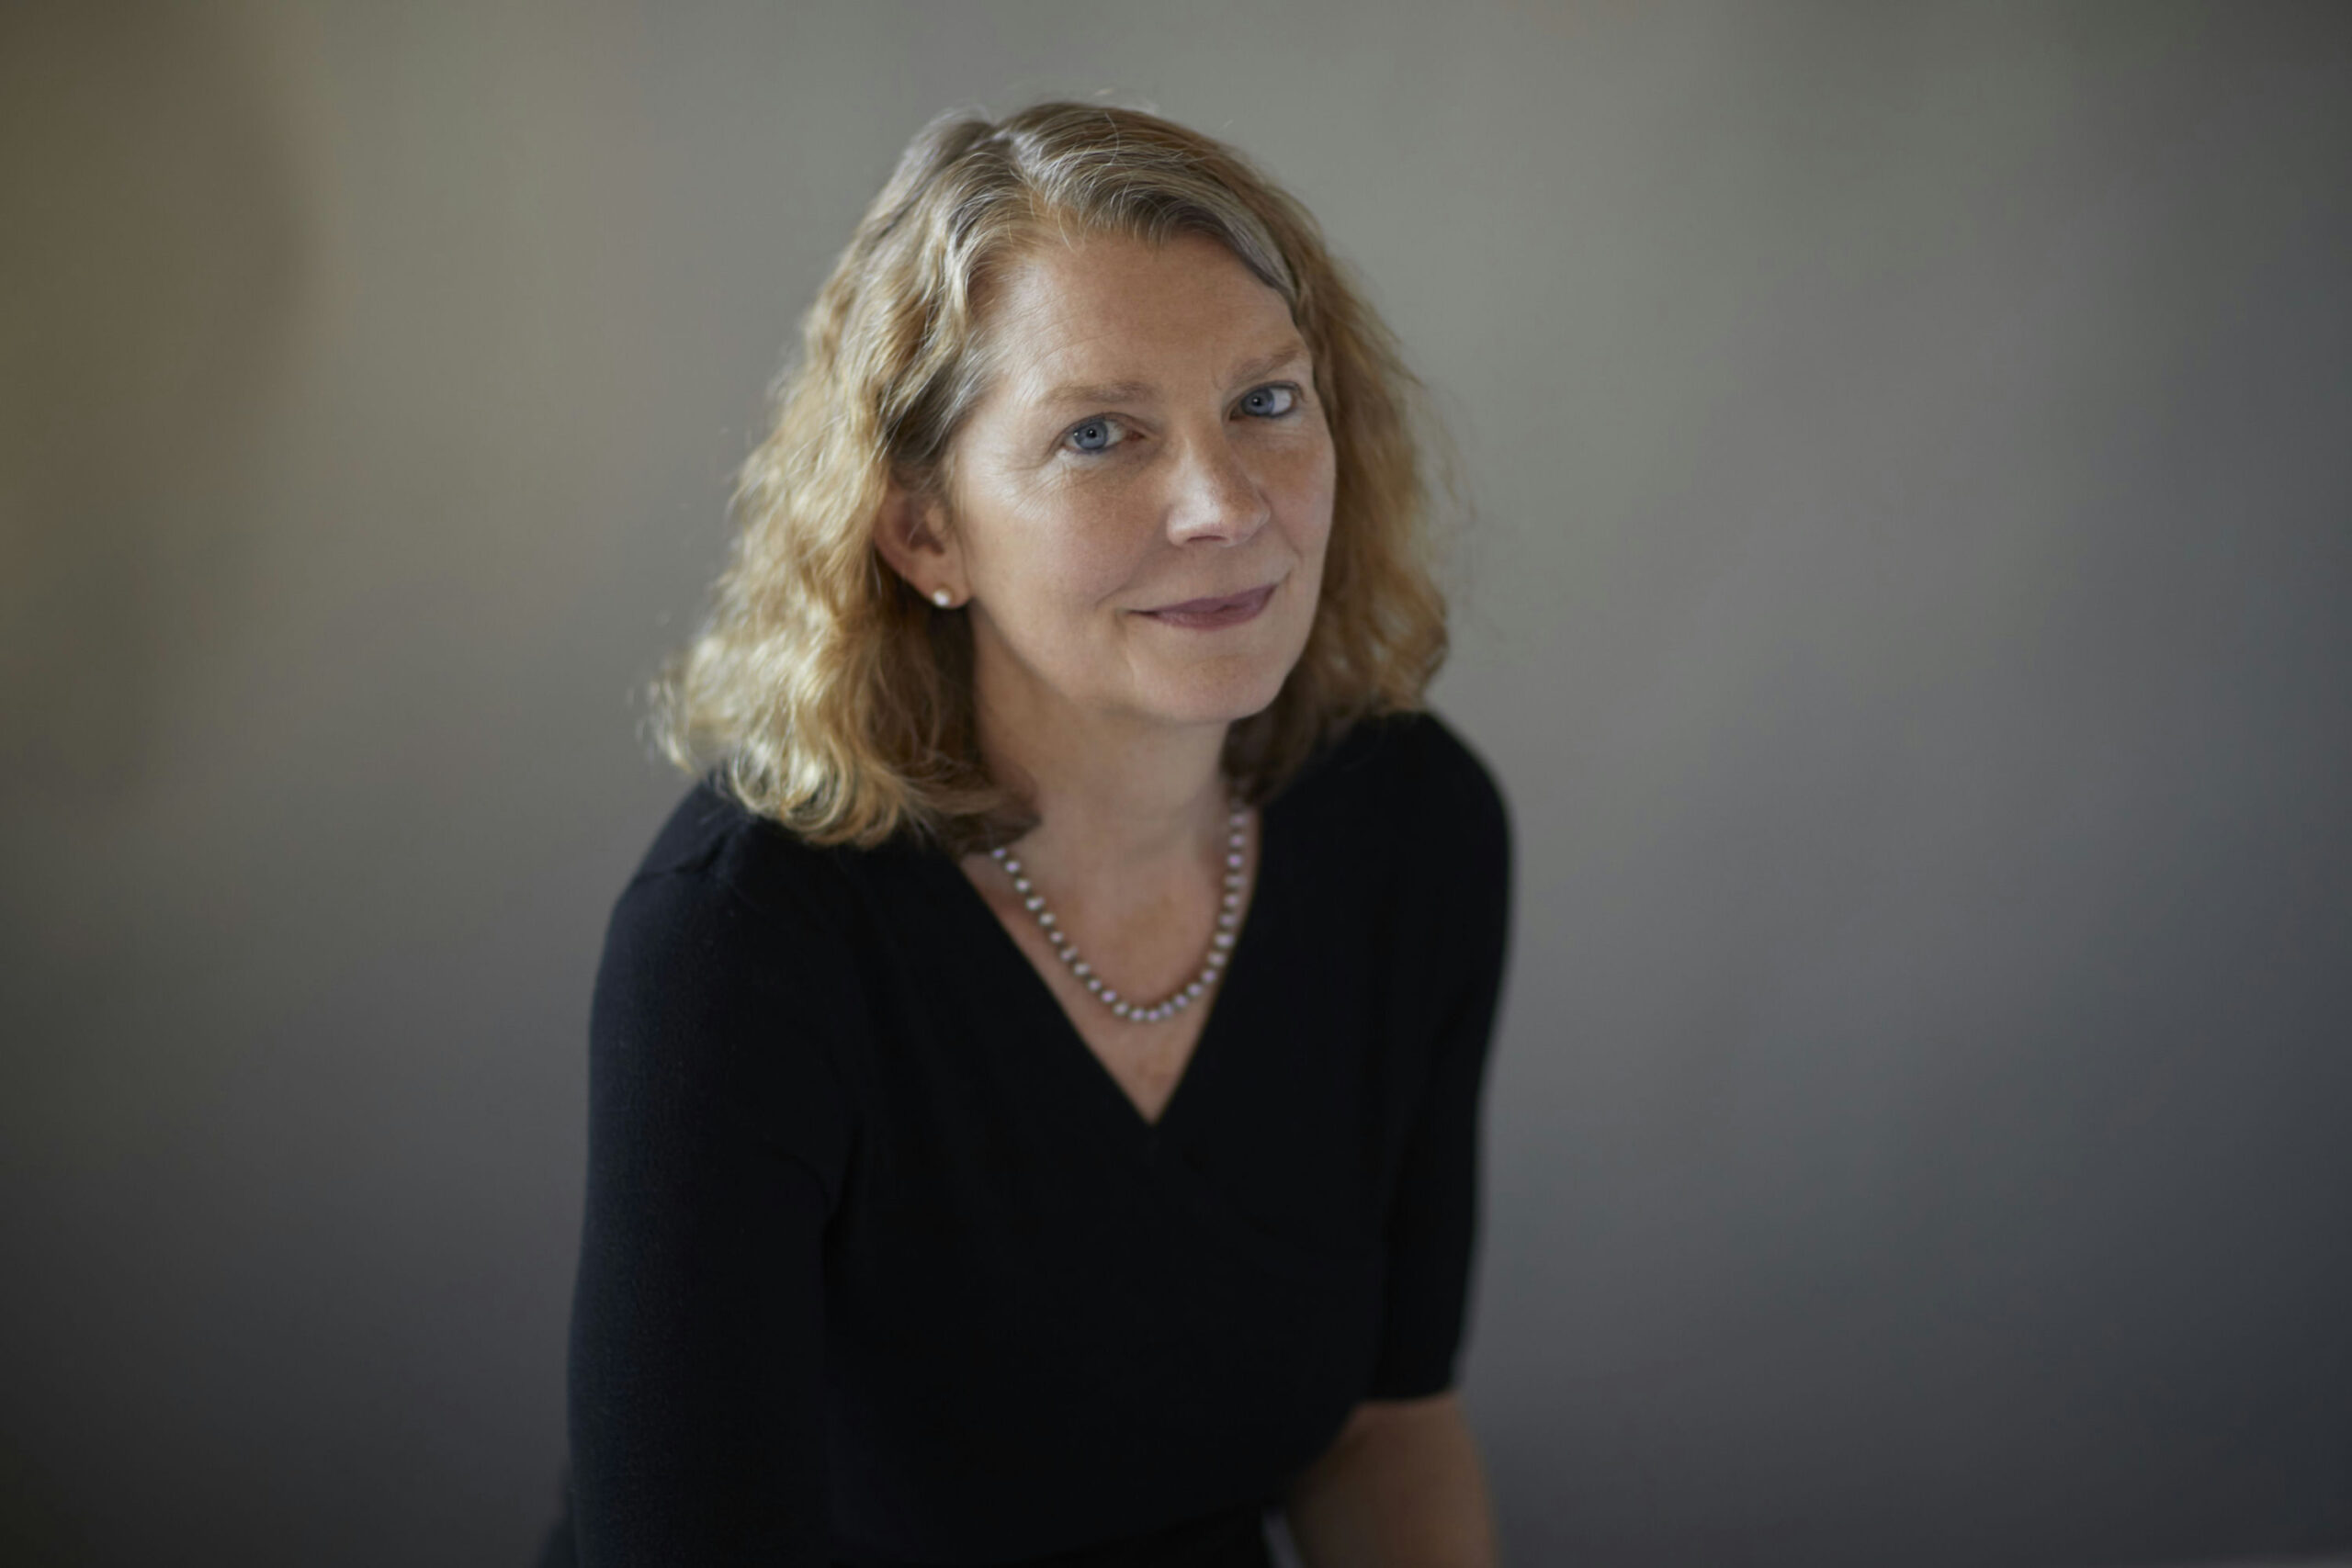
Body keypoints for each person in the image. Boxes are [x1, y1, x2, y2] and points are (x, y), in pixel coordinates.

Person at [558, 100, 1513, 1567]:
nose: (1224, 505)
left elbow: (1381, 1428)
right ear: (925, 531)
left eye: (1267, 401)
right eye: (1099, 434)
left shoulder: (1414, 831)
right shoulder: (743, 945)